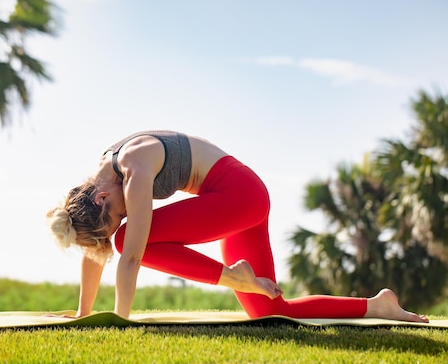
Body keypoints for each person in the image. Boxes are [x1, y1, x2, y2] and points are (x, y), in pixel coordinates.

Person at [46, 130, 428, 322]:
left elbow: (130, 256)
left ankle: (233, 276)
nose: (120, 221)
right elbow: (99, 249)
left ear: (101, 199)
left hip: (238, 194)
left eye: (113, 217)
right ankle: (378, 305)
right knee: (273, 313)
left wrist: (119, 322)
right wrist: (83, 312)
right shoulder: (104, 186)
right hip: (237, 201)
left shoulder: (133, 167)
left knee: (131, 238)